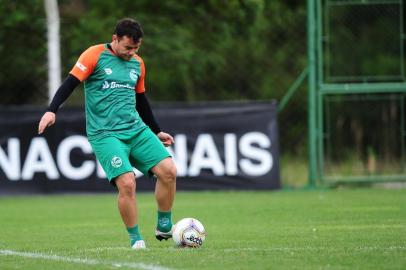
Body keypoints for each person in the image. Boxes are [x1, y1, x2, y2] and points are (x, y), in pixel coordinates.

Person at [38, 18, 177, 249]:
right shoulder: (94, 55)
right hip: (105, 134)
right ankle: (136, 240)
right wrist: (51, 111)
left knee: (169, 171)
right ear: (115, 39)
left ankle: (164, 225)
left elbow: (141, 100)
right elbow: (69, 84)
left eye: (136, 48)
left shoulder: (138, 64)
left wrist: (156, 131)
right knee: (127, 182)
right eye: (128, 47)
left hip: (136, 129)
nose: (132, 52)